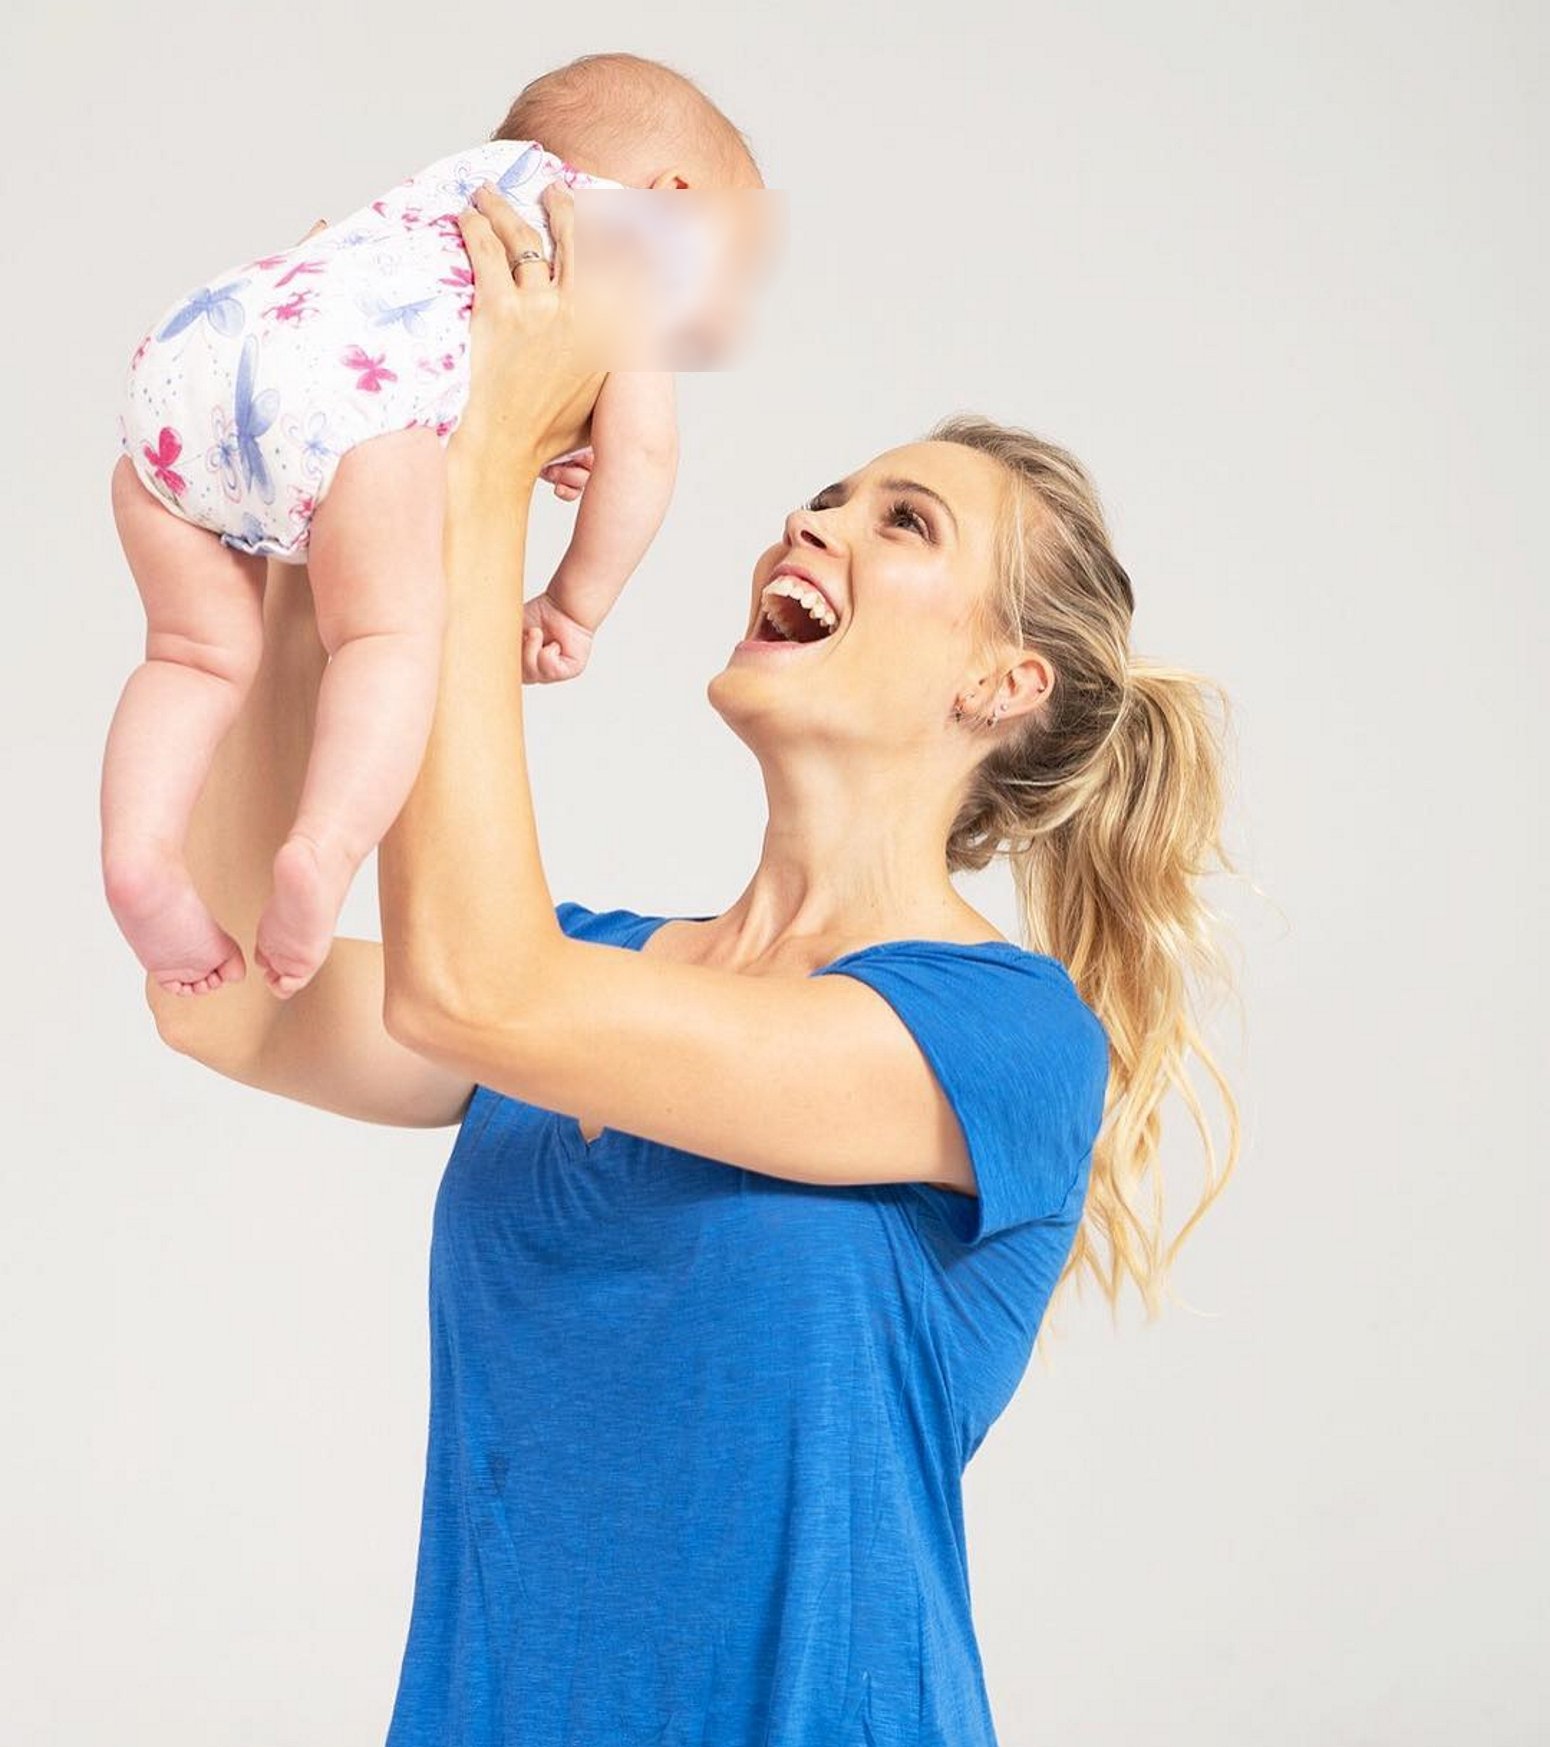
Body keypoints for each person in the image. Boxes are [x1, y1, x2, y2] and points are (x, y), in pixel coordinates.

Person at [146, 174, 1241, 1747]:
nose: (813, 523)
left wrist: (484, 483)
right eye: (829, 493)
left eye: (903, 522)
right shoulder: (591, 970)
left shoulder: (997, 1037)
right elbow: (231, 1001)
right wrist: (305, 557)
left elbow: (476, 989)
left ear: (1006, 681)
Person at [102, 52, 763, 1003]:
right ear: (677, 197)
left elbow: (418, 337)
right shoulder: (619, 250)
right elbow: (648, 459)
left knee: (190, 656)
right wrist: (576, 604)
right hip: (353, 424)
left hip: (188, 361)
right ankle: (321, 850)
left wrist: (552, 437)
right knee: (386, 638)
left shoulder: (465, 186)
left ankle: (139, 853)